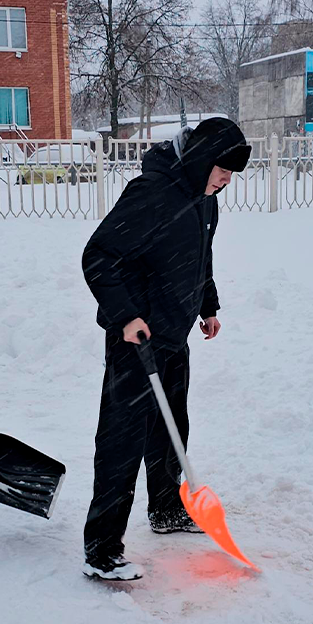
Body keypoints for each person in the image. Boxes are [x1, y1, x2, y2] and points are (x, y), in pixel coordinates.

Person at [80, 117, 252, 580]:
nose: (226, 180)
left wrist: (207, 305)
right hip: (136, 339)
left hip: (174, 334)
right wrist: (126, 315)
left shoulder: (203, 198)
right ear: (201, 159)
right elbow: (99, 257)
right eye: (222, 170)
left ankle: (165, 508)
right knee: (122, 439)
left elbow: (200, 256)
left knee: (172, 427)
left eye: (231, 174)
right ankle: (101, 548)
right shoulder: (151, 193)